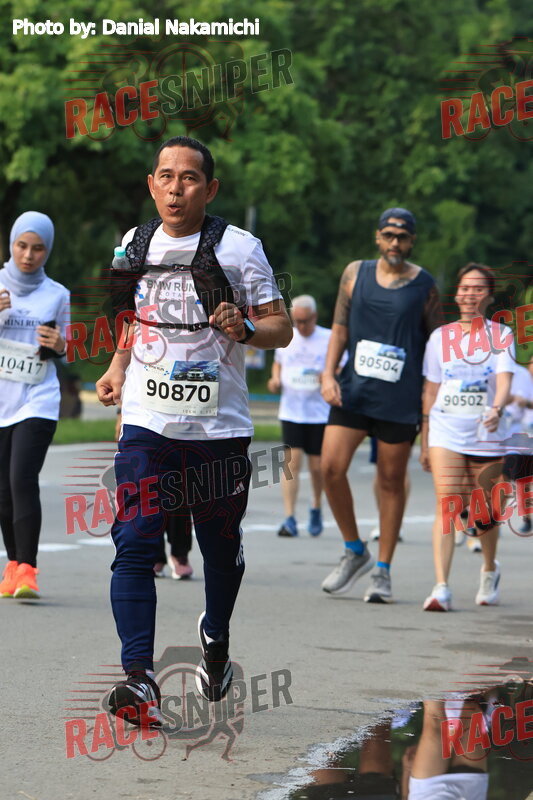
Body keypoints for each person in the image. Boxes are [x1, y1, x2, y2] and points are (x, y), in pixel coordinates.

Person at [96, 136, 292, 722]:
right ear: (151, 184)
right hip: (148, 420)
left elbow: (280, 327)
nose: (175, 188)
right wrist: (117, 366)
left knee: (219, 548)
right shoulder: (134, 244)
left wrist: (246, 329)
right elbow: (130, 316)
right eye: (165, 176)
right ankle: (139, 678)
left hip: (217, 428)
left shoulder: (240, 248)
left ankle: (216, 634)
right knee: (134, 540)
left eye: (188, 178)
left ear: (210, 188)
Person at [320, 207, 442, 602]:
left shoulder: (425, 285)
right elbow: (339, 328)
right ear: (377, 237)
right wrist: (327, 374)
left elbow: (437, 346)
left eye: (402, 237)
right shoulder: (355, 273)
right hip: (354, 391)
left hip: (399, 398)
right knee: (330, 468)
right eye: (389, 235)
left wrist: (430, 403)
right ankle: (355, 550)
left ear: (412, 241)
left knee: (390, 481)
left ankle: (383, 571)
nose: (395, 243)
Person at [420, 263, 514, 611]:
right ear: (456, 294)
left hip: (486, 433)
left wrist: (497, 407)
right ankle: (441, 587)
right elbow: (431, 389)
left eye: (477, 289)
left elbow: (503, 379)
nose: (469, 294)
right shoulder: (439, 338)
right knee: (447, 502)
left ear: (489, 296)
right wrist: (425, 436)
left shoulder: (501, 335)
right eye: (464, 288)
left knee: (486, 510)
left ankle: (489, 569)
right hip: (445, 430)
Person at [0, 212, 70, 599]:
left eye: (38, 248)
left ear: (48, 250)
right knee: (2, 489)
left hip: (37, 399)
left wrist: (60, 345)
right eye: (22, 246)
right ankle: (13, 565)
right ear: (11, 245)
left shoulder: (57, 294)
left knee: (21, 479)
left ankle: (27, 568)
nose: (29, 255)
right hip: (2, 399)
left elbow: (69, 347)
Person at [267, 294, 333, 537]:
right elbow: (278, 362)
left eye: (305, 321)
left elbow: (339, 365)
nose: (301, 326)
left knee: (317, 467)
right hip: (292, 411)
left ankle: (316, 506)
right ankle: (290, 517)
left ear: (315, 317)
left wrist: (329, 376)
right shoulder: (288, 335)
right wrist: (275, 379)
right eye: (297, 321)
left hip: (319, 414)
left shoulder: (328, 338)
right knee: (291, 464)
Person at [116, 408, 194, 578]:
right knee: (148, 492)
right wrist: (121, 413)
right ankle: (155, 556)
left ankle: (179, 553)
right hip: (146, 422)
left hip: (183, 421)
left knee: (178, 491)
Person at [502, 357, 533, 535]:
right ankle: (523, 517)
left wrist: (526, 403)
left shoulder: (523, 378)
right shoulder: (521, 379)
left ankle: (526, 516)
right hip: (516, 439)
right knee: (511, 477)